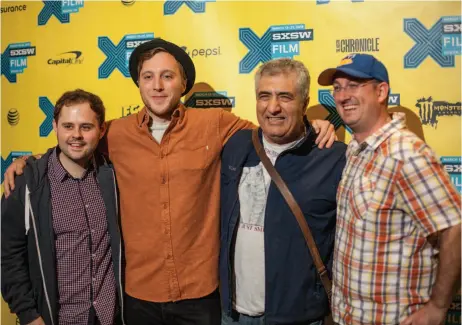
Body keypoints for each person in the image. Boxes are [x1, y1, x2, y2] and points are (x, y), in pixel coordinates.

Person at [3, 39, 336, 325]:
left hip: (201, 296)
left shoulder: (216, 124)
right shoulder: (115, 133)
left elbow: (272, 131)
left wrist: (313, 127)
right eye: (148, 77)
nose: (157, 86)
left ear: (183, 83)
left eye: (167, 76)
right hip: (137, 298)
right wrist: (27, 163)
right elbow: (76, 142)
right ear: (139, 84)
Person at [318, 53, 461, 325]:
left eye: (354, 85)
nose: (343, 95)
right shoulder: (356, 150)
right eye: (337, 87)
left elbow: (455, 227)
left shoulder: (405, 153)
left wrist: (439, 306)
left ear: (381, 91)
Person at [219, 58, 346, 325]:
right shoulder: (236, 144)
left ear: (305, 103)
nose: (273, 107)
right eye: (264, 96)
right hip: (232, 313)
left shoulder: (333, 158)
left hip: (298, 317)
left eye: (285, 97)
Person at [1, 89, 124, 325]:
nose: (76, 135)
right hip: (57, 319)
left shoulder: (112, 177)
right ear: (55, 126)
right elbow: (7, 255)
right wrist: (28, 315)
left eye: (86, 127)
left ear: (101, 130)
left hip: (109, 316)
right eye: (68, 126)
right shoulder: (26, 184)